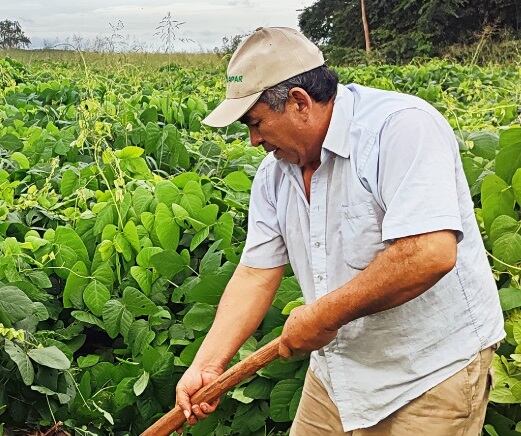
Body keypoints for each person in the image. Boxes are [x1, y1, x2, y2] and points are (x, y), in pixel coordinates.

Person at [174, 27, 505, 435]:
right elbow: (256, 273)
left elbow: (428, 252)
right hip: (339, 375)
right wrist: (207, 364)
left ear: (299, 102)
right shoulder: (275, 174)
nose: (253, 139)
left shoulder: (400, 128)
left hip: (429, 372)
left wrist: (323, 315)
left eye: (256, 122)